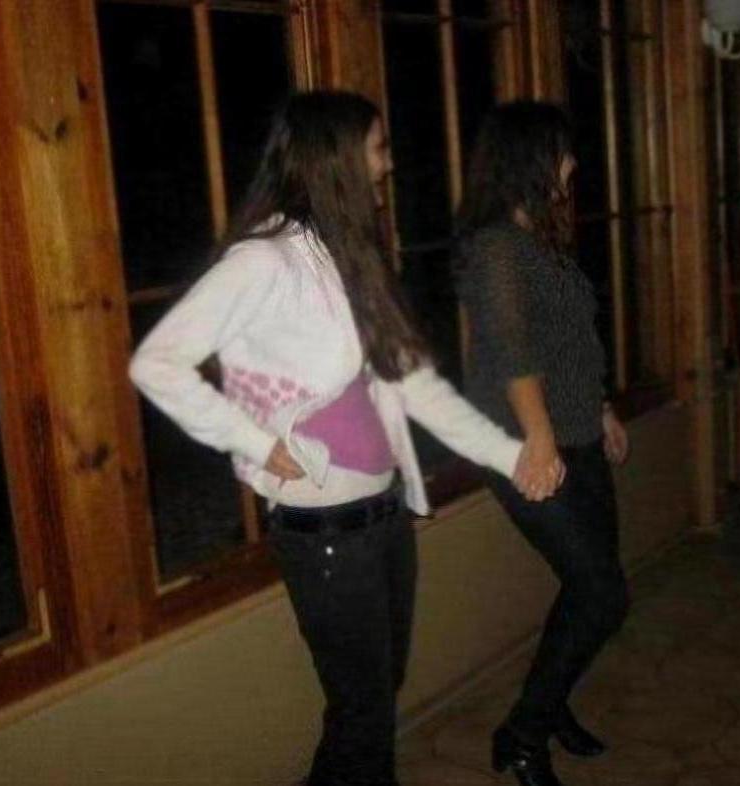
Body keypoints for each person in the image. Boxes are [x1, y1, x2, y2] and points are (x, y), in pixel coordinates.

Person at [129, 91, 557, 786]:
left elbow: (417, 386)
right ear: (337, 159)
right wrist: (253, 440)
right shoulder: (265, 261)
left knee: (370, 700)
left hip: (383, 515)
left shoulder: (348, 258)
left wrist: (513, 457)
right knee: (364, 710)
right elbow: (157, 363)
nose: (388, 165)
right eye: (379, 148)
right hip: (325, 530)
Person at [453, 101, 631, 786]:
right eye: (562, 152)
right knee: (603, 594)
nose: (572, 164)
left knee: (591, 585)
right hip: (526, 445)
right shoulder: (496, 247)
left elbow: (571, 342)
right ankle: (522, 736)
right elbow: (512, 354)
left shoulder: (540, 240)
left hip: (575, 434)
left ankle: (548, 708)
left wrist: (603, 409)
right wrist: (540, 441)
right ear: (530, 160)